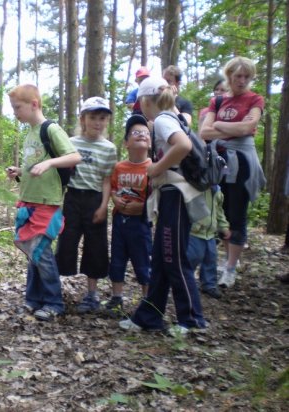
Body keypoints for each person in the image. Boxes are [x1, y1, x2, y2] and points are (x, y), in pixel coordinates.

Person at [119, 77, 208, 336]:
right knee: (160, 258)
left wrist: (156, 167)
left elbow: (183, 145)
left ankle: (192, 319)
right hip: (170, 195)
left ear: (146, 101)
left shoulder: (163, 119)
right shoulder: (172, 116)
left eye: (140, 104)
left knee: (173, 258)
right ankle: (150, 316)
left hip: (176, 195)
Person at [6, 84, 82, 322]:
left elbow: (75, 156)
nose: (15, 112)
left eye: (18, 107)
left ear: (34, 104)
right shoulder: (29, 132)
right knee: (33, 253)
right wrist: (20, 171)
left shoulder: (50, 129)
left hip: (47, 203)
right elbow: (35, 166)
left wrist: (49, 164)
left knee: (41, 252)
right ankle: (33, 299)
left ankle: (53, 302)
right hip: (28, 201)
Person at [200, 56, 266, 289]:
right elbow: (203, 132)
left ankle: (230, 268)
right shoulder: (217, 102)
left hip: (242, 162)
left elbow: (248, 127)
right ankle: (225, 259)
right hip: (218, 161)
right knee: (220, 211)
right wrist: (227, 130)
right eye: (238, 76)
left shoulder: (255, 99)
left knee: (237, 213)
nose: (242, 80)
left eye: (246, 76)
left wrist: (218, 126)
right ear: (229, 76)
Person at [55, 96, 117, 314]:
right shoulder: (71, 143)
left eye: (102, 118)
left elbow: (107, 178)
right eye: (93, 117)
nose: (97, 123)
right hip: (72, 198)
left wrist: (103, 206)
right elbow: (61, 171)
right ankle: (56, 291)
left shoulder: (109, 148)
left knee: (96, 246)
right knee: (66, 242)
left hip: (94, 199)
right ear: (83, 119)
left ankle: (92, 294)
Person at [107, 114, 152, 317]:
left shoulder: (153, 167)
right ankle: (116, 297)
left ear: (150, 141)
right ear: (126, 142)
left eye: (145, 133)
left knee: (143, 261)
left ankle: (148, 301)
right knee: (117, 259)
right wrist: (115, 199)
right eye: (135, 132)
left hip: (141, 224)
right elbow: (113, 188)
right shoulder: (119, 167)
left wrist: (143, 208)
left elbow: (156, 197)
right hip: (119, 221)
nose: (141, 135)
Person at [187, 185, 231, 299]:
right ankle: (185, 281)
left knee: (211, 258)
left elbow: (219, 211)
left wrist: (224, 226)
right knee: (192, 257)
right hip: (195, 232)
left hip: (210, 233)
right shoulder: (196, 187)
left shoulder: (217, 190)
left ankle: (209, 284)